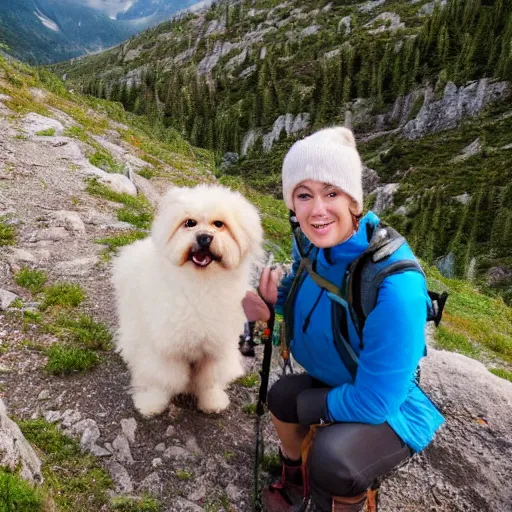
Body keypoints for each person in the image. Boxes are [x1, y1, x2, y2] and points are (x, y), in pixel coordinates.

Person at [243, 126, 445, 512]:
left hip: (389, 406)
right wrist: (274, 305)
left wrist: (312, 406)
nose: (317, 210)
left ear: (354, 199)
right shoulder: (310, 241)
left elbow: (375, 402)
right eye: (304, 195)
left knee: (333, 458)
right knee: (282, 396)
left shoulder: (394, 286)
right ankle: (297, 478)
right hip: (341, 375)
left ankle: (328, 499)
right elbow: (311, 295)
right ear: (292, 203)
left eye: (331, 192)